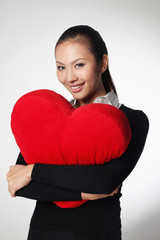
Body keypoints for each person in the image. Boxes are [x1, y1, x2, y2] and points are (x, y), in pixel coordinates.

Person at [7, 25, 149, 240]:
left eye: (79, 65)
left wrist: (32, 171)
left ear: (102, 63)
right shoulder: (46, 119)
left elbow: (104, 182)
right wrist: (84, 192)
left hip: (97, 233)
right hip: (42, 233)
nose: (69, 77)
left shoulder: (132, 120)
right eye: (61, 67)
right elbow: (21, 187)